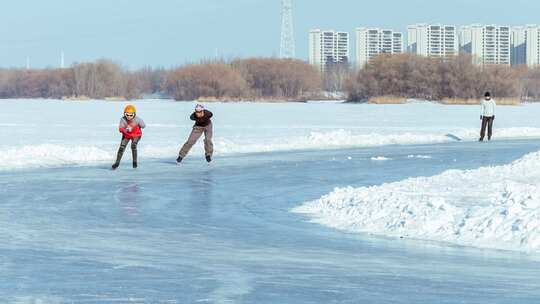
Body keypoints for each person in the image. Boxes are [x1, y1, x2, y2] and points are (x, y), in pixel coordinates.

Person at [112, 105, 146, 170]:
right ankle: (117, 163)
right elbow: (120, 128)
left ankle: (134, 162)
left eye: (131, 115)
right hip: (126, 135)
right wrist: (125, 130)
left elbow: (143, 126)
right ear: (124, 114)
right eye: (127, 115)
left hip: (136, 135)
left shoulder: (137, 119)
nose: (129, 117)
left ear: (134, 114)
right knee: (121, 148)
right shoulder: (123, 119)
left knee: (133, 145)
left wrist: (137, 124)